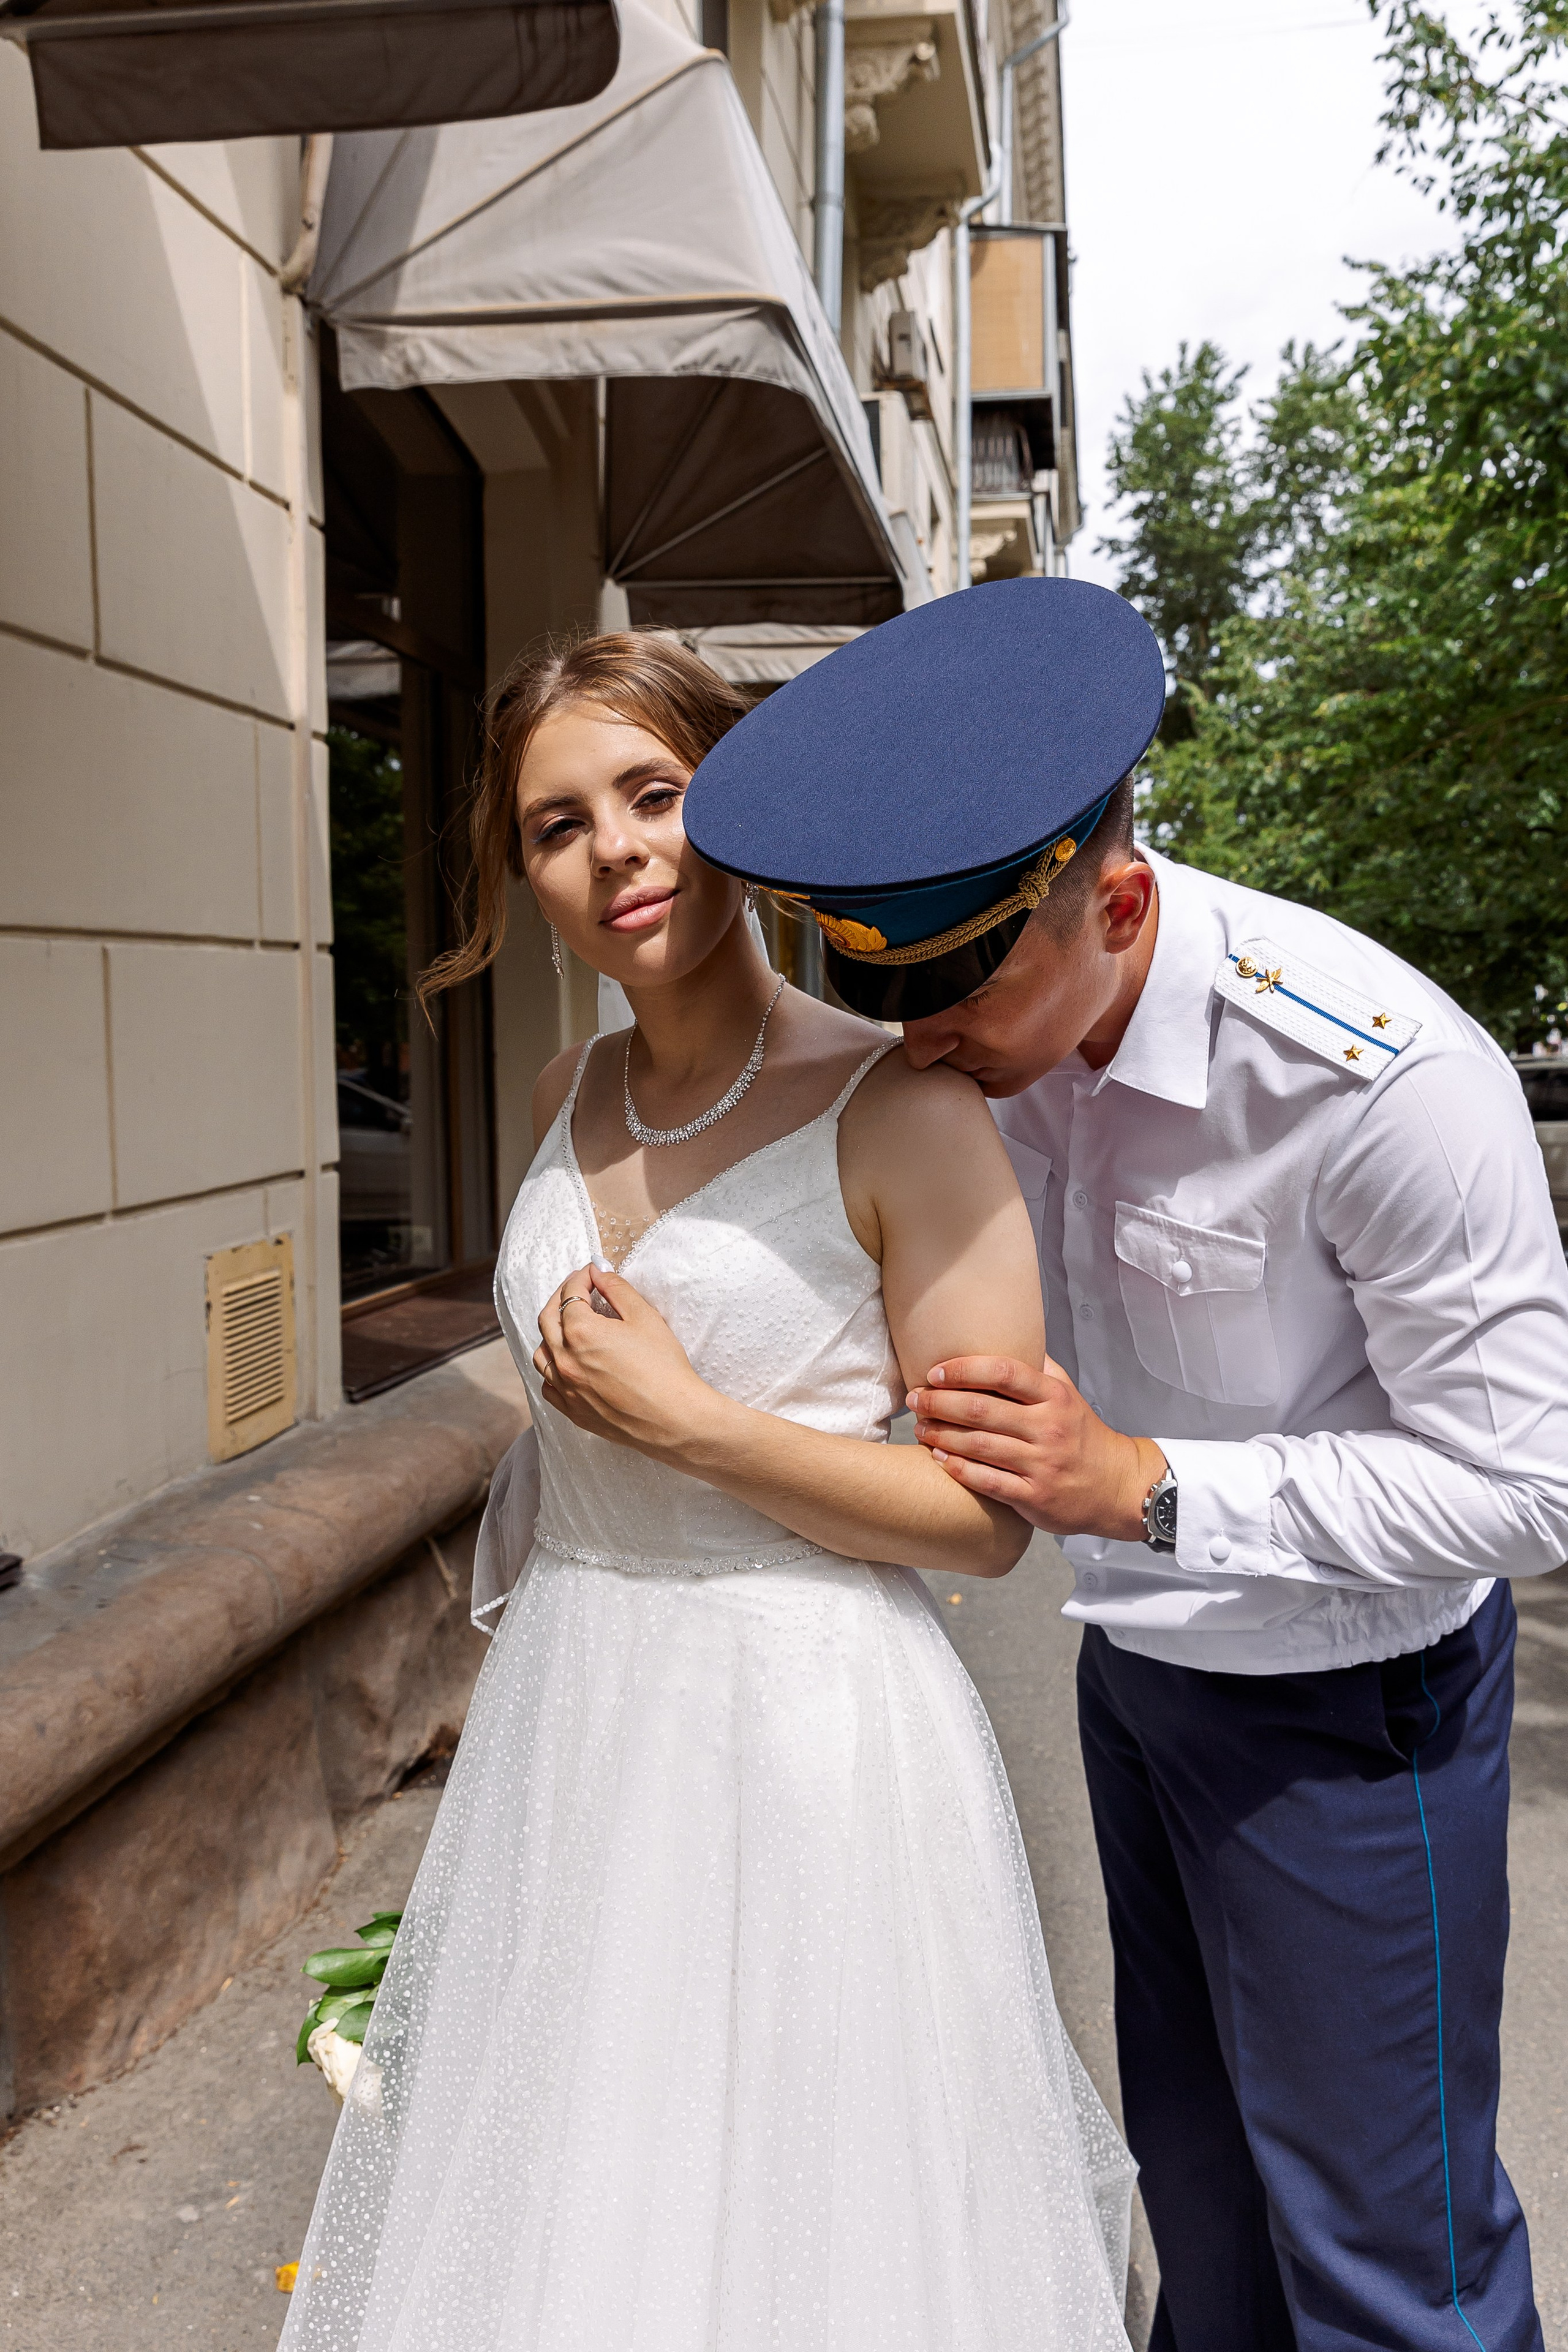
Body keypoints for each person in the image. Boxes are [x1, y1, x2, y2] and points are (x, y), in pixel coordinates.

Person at [685, 573, 1568, 2352]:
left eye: (955, 986)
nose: (919, 1040)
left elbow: (1524, 1486)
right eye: (880, 988)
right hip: (1141, 1683)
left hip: (1349, 1709)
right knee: (1205, 2207)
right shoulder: (971, 1061)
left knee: (1387, 2255)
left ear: (1120, 904)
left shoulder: (1371, 1084)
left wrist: (1146, 1485)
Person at [279, 631, 1140, 2352]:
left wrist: (695, 1427)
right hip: (578, 1723)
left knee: (810, 2232)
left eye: (655, 795)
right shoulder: (564, 1092)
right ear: (525, 878)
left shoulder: (905, 1108)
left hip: (811, 1737)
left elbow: (986, 1521)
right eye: (556, 825)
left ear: (732, 809)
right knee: (585, 2209)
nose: (615, 849)